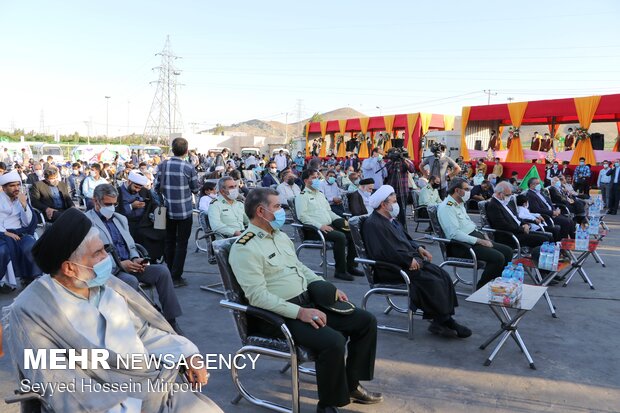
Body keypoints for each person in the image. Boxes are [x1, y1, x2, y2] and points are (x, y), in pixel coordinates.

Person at [5, 208, 223, 412]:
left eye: (105, 250)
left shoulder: (107, 285)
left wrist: (186, 353)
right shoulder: (31, 310)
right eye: (98, 253)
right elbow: (56, 380)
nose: (106, 259)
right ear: (70, 268)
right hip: (101, 404)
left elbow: (144, 332)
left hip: (152, 385)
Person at [230, 188, 382, 413]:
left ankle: (351, 384)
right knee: (332, 341)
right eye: (277, 207)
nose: (282, 211)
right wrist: (300, 313)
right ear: (261, 211)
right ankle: (328, 404)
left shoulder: (279, 235)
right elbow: (258, 296)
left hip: (308, 302)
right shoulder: (245, 247)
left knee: (365, 321)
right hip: (277, 316)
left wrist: (329, 289)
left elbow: (300, 268)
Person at [362, 185, 471, 338]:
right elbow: (383, 252)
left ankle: (442, 319)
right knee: (431, 281)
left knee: (441, 275)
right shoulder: (373, 224)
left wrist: (418, 248)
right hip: (392, 269)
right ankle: (443, 320)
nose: (396, 205)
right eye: (393, 202)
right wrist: (407, 260)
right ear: (383, 204)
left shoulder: (391, 220)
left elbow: (405, 239)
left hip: (407, 263)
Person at [86, 184, 184, 331]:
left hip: (130, 265)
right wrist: (120, 264)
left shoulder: (119, 218)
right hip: (110, 270)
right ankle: (135, 326)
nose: (112, 208)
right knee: (130, 281)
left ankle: (171, 320)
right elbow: (92, 254)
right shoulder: (87, 221)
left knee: (162, 272)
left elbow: (131, 245)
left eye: (115, 204)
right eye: (108, 204)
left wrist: (135, 258)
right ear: (96, 201)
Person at [437, 177, 513, 289]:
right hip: (460, 245)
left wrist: (482, 235)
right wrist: (479, 240)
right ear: (457, 190)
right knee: (498, 258)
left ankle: (495, 281)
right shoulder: (447, 207)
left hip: (473, 239)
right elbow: (454, 234)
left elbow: (468, 225)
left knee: (508, 251)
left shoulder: (459, 203)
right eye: (466, 189)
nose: (469, 192)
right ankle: (482, 287)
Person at [295, 169, 363, 281]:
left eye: (317, 177)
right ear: (306, 180)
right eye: (313, 178)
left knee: (352, 232)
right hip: (314, 230)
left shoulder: (320, 195)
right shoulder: (302, 196)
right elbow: (302, 216)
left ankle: (350, 266)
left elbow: (329, 211)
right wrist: (319, 226)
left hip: (328, 225)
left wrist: (341, 220)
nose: (316, 180)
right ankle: (340, 271)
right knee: (340, 237)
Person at [155, 137, 200, 287]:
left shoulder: (162, 165)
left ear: (172, 150)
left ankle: (169, 273)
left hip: (166, 210)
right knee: (182, 244)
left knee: (169, 241)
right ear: (186, 151)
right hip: (184, 212)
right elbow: (195, 189)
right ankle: (176, 277)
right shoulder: (188, 168)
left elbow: (156, 187)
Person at [0, 170, 42, 285]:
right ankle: (4, 283)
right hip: (2, 235)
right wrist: (5, 233)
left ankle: (30, 277)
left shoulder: (21, 199)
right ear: (4, 188)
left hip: (20, 233)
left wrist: (24, 206)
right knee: (2, 251)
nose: (16, 188)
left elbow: (27, 224)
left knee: (30, 245)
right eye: (12, 186)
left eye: (18, 185)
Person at [486, 182, 553, 249]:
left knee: (548, 237)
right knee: (544, 240)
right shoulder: (493, 205)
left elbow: (516, 218)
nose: (509, 197)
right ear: (499, 194)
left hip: (518, 231)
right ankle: (539, 257)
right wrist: (522, 229)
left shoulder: (505, 202)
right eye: (508, 195)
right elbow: (503, 225)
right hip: (509, 235)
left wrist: (526, 224)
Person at [383, 149, 416, 228]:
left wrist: (403, 159)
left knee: (402, 212)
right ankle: (391, 228)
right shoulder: (389, 163)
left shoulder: (405, 162)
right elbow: (385, 175)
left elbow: (412, 169)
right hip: (391, 191)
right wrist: (392, 162)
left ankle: (403, 229)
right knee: (390, 211)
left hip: (403, 191)